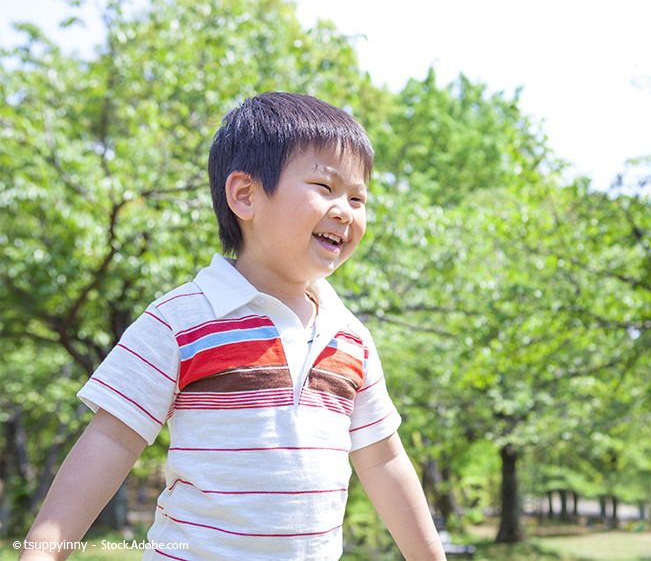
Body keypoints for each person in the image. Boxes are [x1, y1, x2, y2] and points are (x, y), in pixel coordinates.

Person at [20, 92, 446, 561]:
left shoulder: (351, 339)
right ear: (245, 195)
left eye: (358, 197)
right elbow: (110, 439)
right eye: (324, 187)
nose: (345, 210)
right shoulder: (181, 319)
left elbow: (384, 460)